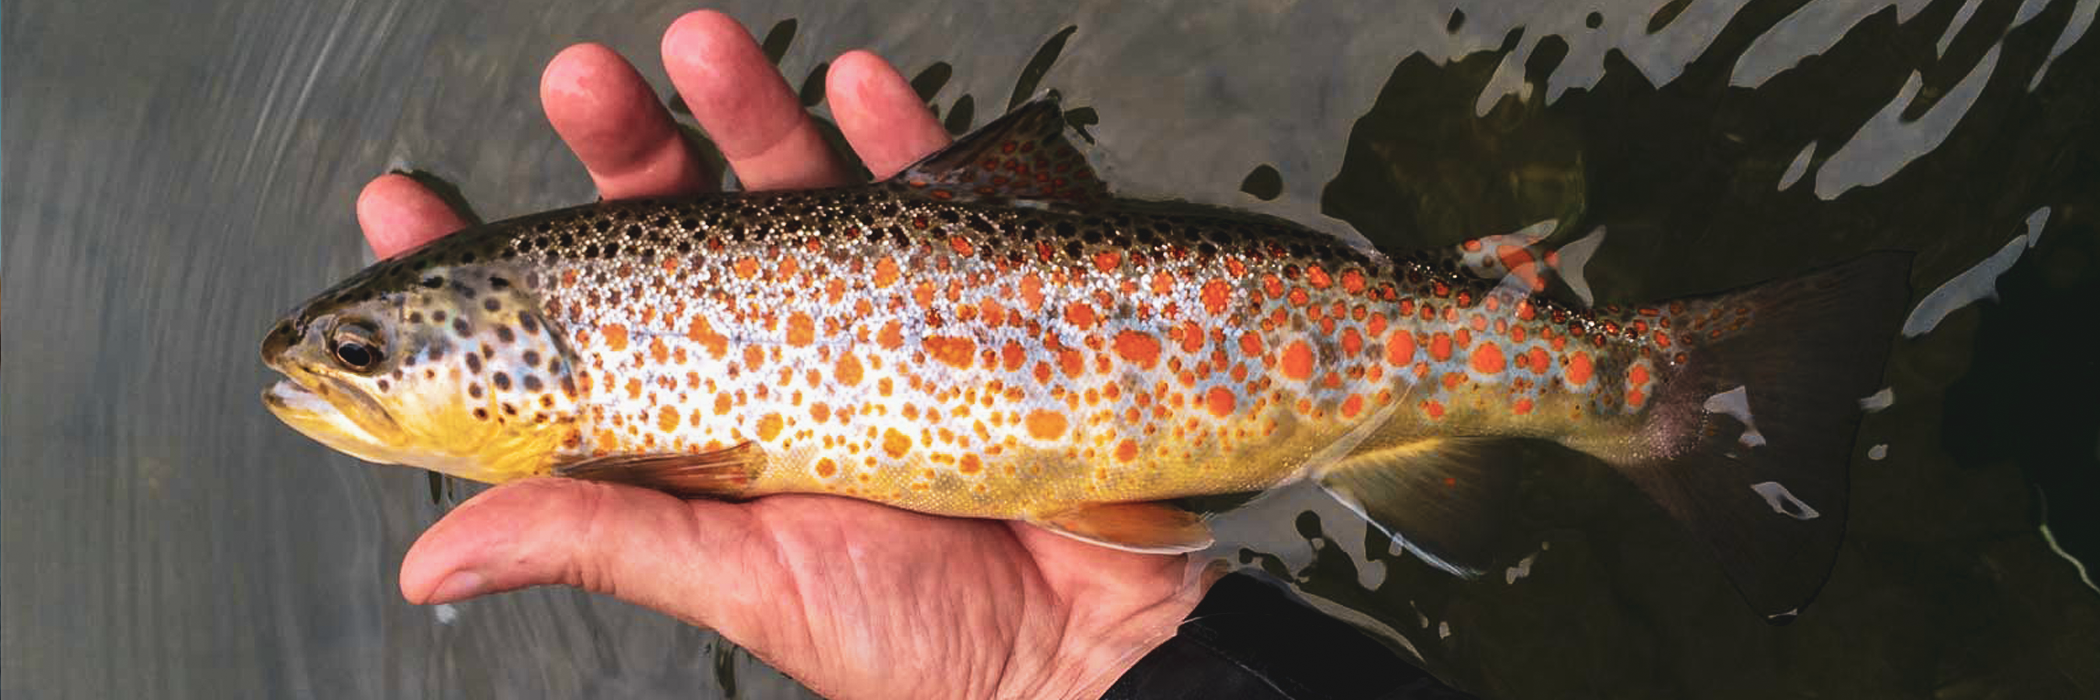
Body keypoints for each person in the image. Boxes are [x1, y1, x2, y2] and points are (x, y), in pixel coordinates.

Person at [362, 11, 1468, 699]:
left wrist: (1094, 670)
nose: (350, 373)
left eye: (364, 349)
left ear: (512, 344)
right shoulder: (589, 436)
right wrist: (1065, 669)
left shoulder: (599, 446)